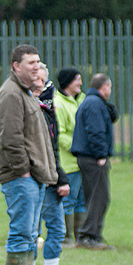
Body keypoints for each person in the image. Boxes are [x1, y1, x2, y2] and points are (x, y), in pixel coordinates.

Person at [0, 44, 57, 265]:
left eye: (38, 62)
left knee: (30, 234)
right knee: (21, 233)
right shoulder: (10, 94)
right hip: (21, 178)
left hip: (32, 177)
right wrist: (24, 172)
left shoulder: (26, 92)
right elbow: (11, 139)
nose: (36, 67)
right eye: (30, 62)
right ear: (16, 66)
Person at [31, 65, 80, 265]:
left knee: (55, 230)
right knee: (33, 231)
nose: (40, 86)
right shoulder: (35, 109)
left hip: (51, 176)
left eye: (43, 81)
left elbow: (51, 148)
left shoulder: (46, 108)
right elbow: (45, 149)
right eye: (36, 81)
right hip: (39, 178)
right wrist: (60, 179)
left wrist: (59, 177)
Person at [71, 74, 116, 250]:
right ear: (104, 86)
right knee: (99, 198)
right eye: (109, 87)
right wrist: (101, 156)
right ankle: (88, 236)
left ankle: (93, 234)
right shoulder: (94, 104)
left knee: (97, 197)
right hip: (93, 158)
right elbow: (95, 131)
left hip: (89, 157)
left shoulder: (92, 102)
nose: (110, 91)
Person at [53, 68, 87, 248]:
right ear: (68, 82)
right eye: (77, 80)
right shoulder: (59, 103)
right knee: (68, 200)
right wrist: (77, 147)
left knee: (82, 200)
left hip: (82, 162)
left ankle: (80, 236)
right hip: (69, 162)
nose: (80, 83)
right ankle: (66, 237)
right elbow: (59, 133)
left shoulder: (80, 101)